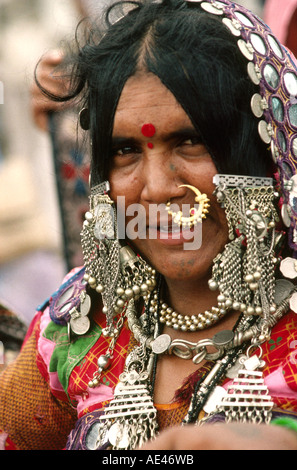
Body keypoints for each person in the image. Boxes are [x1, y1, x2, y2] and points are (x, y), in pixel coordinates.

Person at [1, 0, 297, 451]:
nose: (156, 190)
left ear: (265, 156)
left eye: (191, 141)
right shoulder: (78, 324)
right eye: (125, 150)